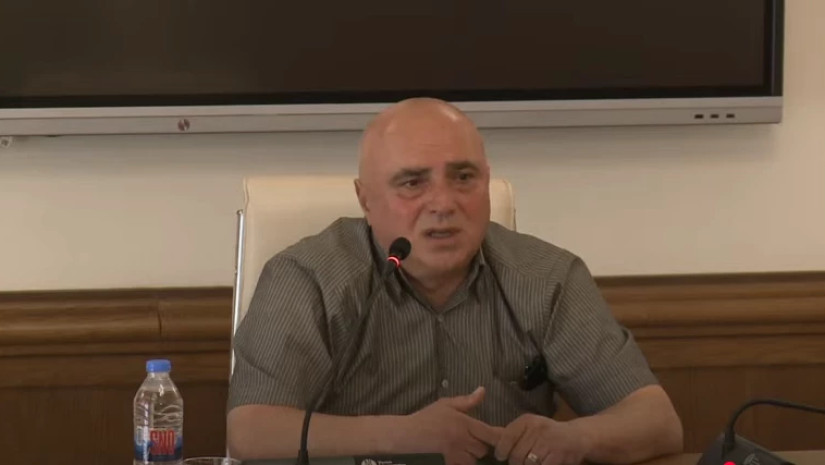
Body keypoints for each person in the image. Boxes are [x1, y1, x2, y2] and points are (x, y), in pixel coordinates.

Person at [227, 98, 683, 465]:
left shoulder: (546, 278)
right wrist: (401, 437)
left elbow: (657, 421)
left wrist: (574, 438)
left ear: (486, 183)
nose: (443, 203)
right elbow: (251, 431)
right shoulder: (308, 278)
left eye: (463, 177)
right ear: (365, 199)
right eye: (413, 183)